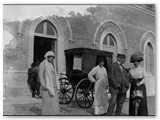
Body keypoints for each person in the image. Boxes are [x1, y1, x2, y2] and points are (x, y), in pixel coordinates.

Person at [39, 51, 60, 115]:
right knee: (47, 102)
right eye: (50, 57)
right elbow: (40, 75)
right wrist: (43, 84)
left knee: (53, 102)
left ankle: (53, 114)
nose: (52, 59)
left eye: (53, 57)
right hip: (47, 86)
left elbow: (54, 75)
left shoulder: (52, 65)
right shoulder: (43, 64)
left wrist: (56, 84)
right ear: (47, 57)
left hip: (53, 86)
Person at [128, 51, 148, 116]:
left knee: (142, 103)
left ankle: (142, 115)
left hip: (141, 87)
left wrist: (140, 83)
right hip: (133, 87)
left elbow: (145, 78)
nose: (135, 63)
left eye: (137, 61)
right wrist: (130, 81)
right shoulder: (131, 70)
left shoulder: (142, 69)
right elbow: (128, 78)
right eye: (134, 62)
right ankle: (133, 115)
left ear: (139, 62)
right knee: (133, 102)